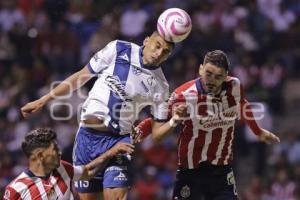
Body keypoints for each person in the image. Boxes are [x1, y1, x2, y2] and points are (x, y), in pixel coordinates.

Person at [20, 31, 185, 200]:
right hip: (87, 138)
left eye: (165, 52)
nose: (159, 53)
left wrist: (174, 121)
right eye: (157, 46)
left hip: (119, 140)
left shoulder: (161, 85)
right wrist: (43, 100)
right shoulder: (119, 48)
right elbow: (81, 77)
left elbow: (157, 135)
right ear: (146, 40)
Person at [134, 50, 280, 200]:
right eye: (208, 73)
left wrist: (258, 131)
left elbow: (242, 103)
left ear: (226, 76)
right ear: (200, 69)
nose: (211, 80)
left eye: (218, 77)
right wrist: (135, 134)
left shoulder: (235, 86)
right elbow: (155, 120)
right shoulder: (184, 95)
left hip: (221, 170)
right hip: (190, 170)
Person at [3, 128, 134, 200]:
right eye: (54, 149)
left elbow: (87, 172)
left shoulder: (62, 168)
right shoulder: (15, 189)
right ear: (40, 156)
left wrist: (112, 152)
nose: (60, 152)